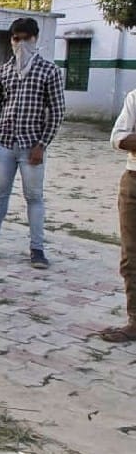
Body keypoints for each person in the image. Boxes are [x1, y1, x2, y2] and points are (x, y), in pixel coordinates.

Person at [0, 18, 65, 268]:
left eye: (25, 38)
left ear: (35, 39)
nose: (20, 43)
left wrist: (42, 144)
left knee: (34, 196)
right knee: (0, 194)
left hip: (32, 144)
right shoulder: (4, 70)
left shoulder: (48, 71)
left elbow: (56, 111)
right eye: (15, 38)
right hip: (4, 142)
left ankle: (37, 248)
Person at [103, 88, 136, 342]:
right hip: (133, 182)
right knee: (131, 256)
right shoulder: (135, 98)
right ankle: (135, 320)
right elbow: (118, 138)